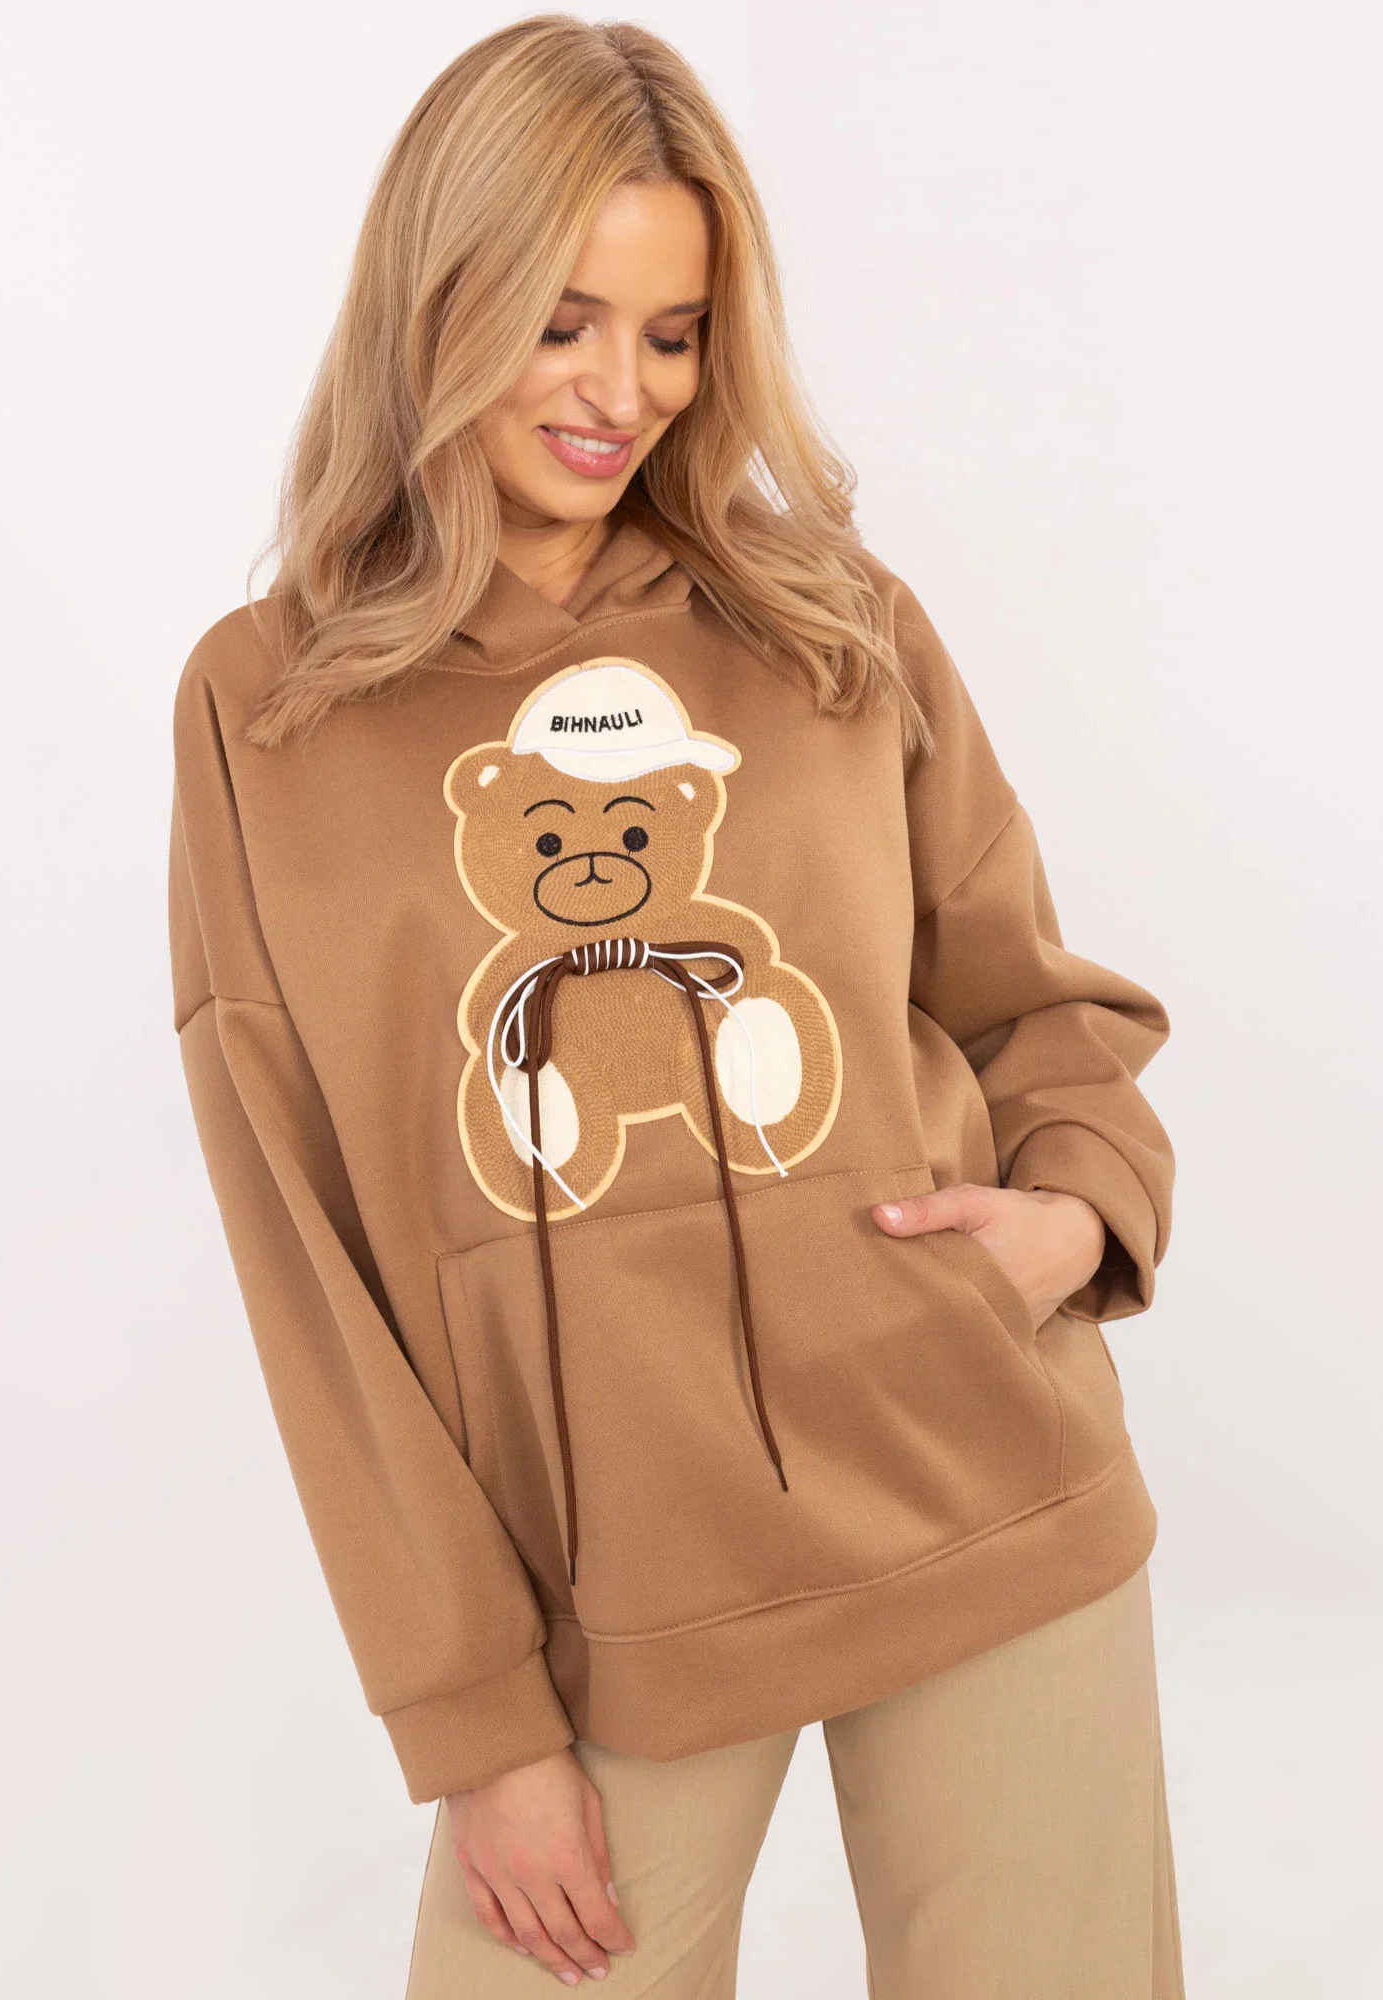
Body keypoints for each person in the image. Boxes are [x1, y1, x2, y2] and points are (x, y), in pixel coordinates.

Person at [168, 16, 1184, 1996]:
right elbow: (304, 1248)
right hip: (603, 1609)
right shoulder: (267, 708)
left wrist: (1075, 1215)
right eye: (560, 322)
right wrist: (474, 1720)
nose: (618, 392)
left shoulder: (831, 622)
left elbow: (1035, 1008)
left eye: (673, 332)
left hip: (984, 1485)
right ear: (436, 300)